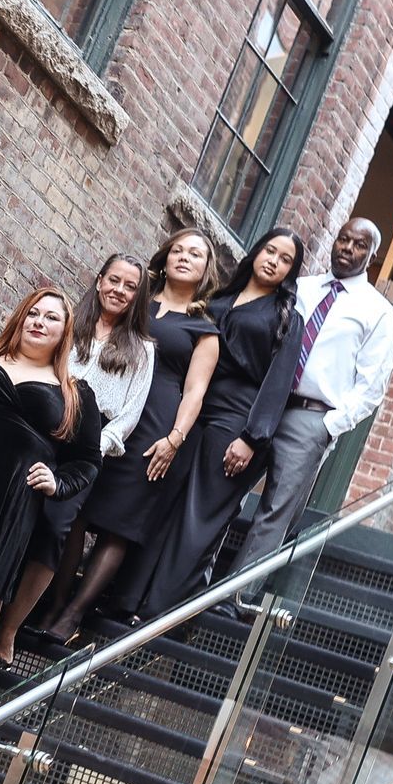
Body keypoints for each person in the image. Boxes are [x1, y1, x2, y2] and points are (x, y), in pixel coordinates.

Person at [44, 229, 221, 637]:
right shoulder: (135, 298)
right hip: (107, 417)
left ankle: (73, 615)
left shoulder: (204, 330)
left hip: (154, 429)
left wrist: (175, 438)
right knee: (78, 511)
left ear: (205, 269)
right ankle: (53, 601)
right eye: (177, 249)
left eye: (194, 254)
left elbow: (195, 391)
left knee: (118, 524)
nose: (183, 257)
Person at [0, 254, 154, 658]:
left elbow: (128, 417)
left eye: (130, 286)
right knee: (8, 524)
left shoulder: (143, 350)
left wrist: (89, 445)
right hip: (40, 430)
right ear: (98, 281)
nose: (119, 290)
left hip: (85, 447)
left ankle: (9, 630)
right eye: (113, 280)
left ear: (138, 296)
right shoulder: (67, 324)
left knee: (52, 534)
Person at [224, 217, 393, 593]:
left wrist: (329, 426)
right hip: (261, 404)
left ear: (372, 256)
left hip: (311, 416)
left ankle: (234, 597)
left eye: (359, 245)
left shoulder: (378, 312)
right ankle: (194, 581)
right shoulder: (299, 288)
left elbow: (371, 386)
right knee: (224, 493)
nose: (347, 249)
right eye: (343, 239)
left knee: (276, 511)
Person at [138, 228, 307, 613]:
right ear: (256, 251)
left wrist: (253, 438)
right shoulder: (217, 298)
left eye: (285, 260)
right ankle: (132, 596)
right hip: (193, 406)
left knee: (198, 516)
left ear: (291, 272)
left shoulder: (286, 317)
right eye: (270, 251)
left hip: (237, 419)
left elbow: (278, 384)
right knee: (166, 501)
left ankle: (159, 613)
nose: (274, 262)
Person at [0, 289, 103, 675]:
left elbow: (88, 460)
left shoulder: (75, 394)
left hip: (12, 492)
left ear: (65, 332)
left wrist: (58, 482)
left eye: (51, 318)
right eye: (33, 313)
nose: (39, 321)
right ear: (19, 317)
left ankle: (0, 631)